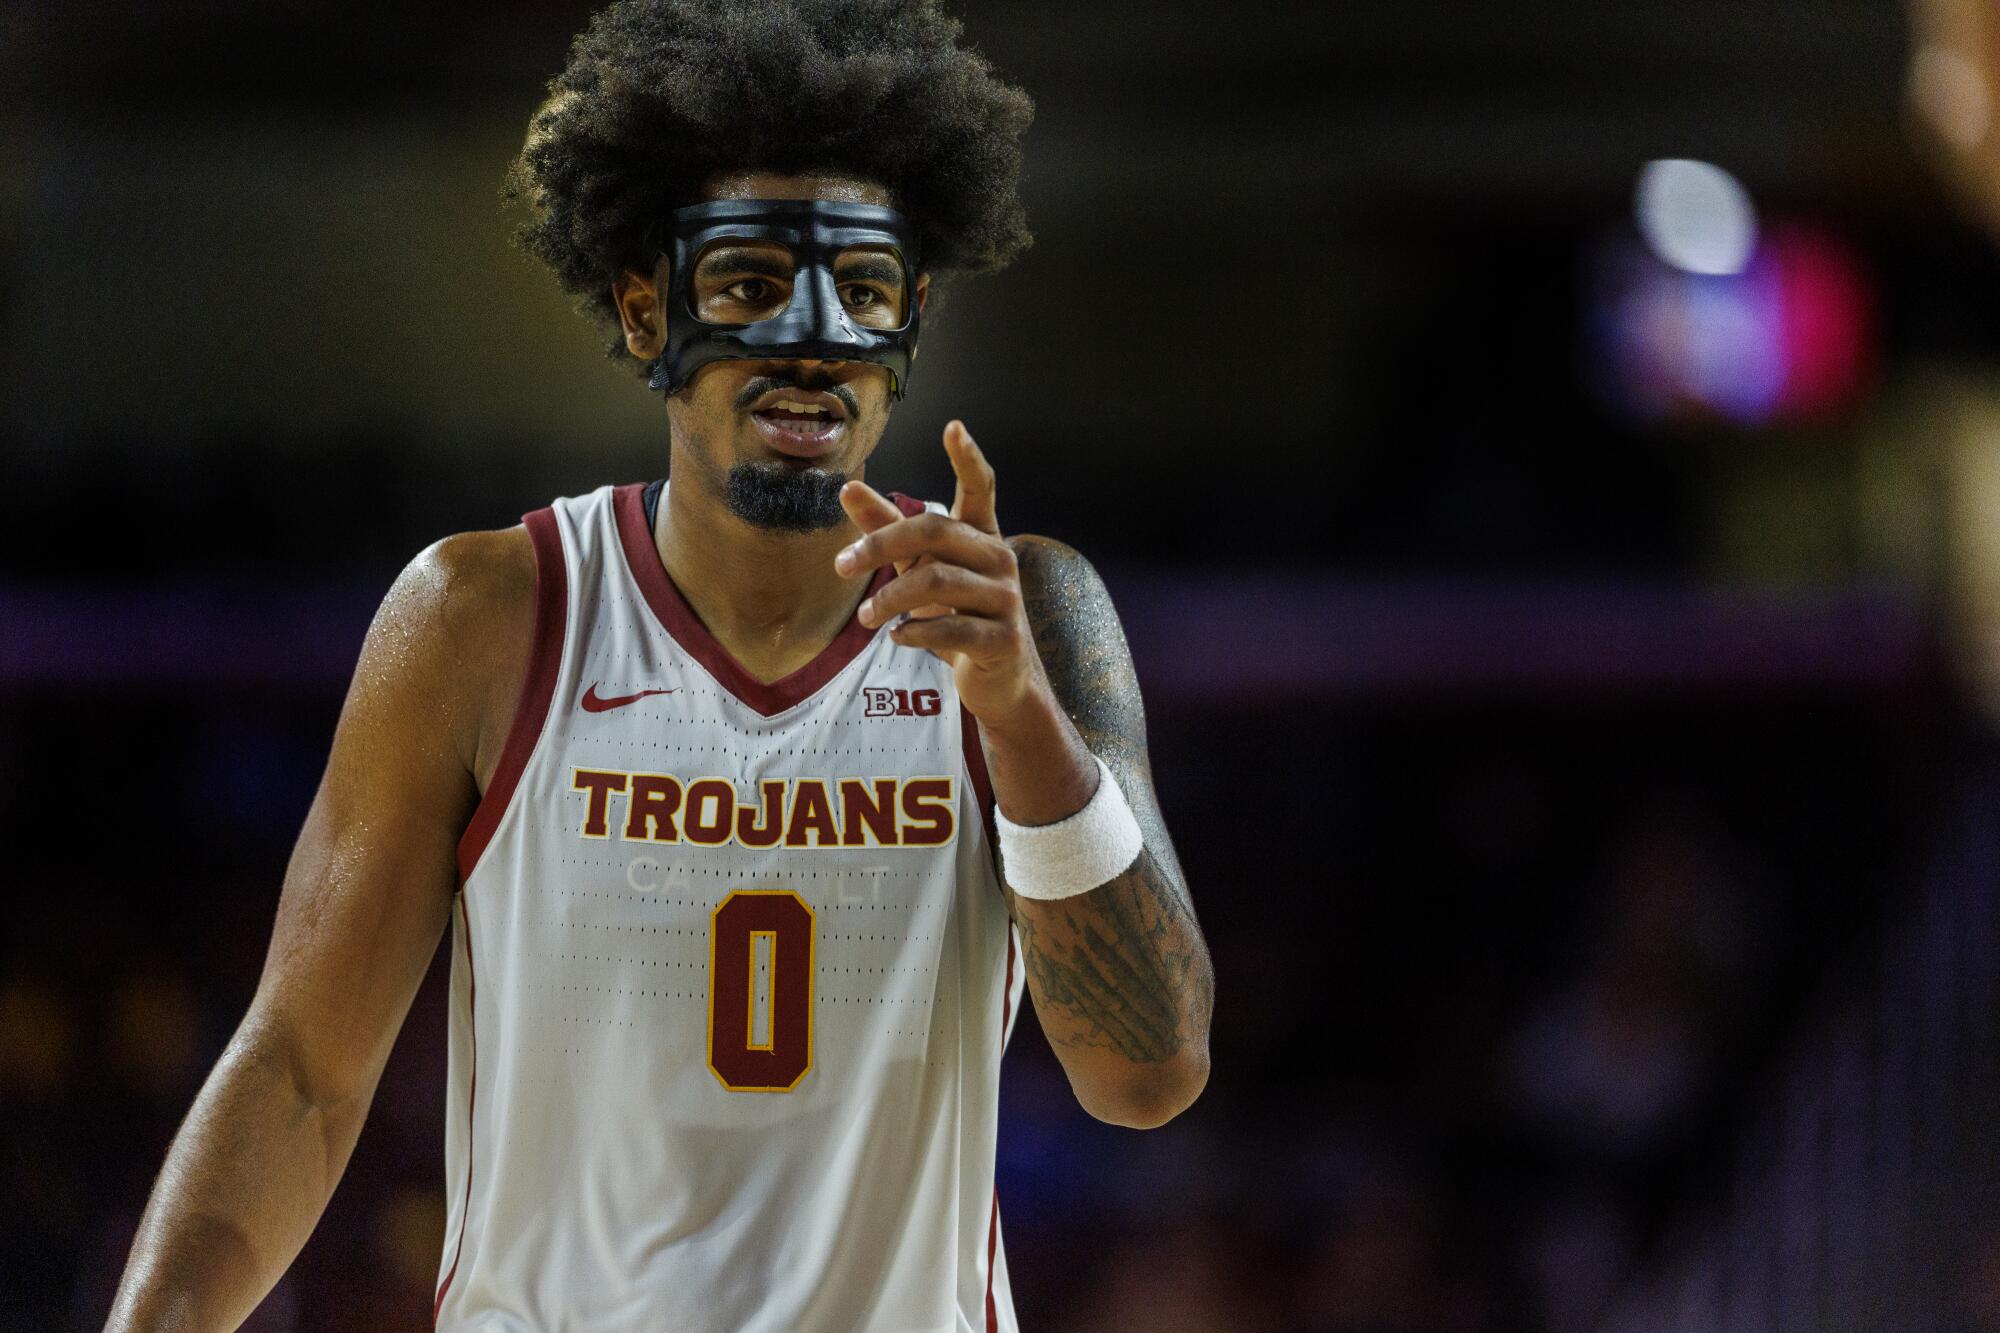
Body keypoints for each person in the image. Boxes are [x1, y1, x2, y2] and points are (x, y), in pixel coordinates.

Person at [105, 1, 1214, 1329]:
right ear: (645, 312)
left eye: (861, 292)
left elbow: (1149, 1071)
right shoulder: (485, 616)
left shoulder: (1029, 614)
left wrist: (1020, 717)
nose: (811, 339)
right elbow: (301, 1069)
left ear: (910, 325)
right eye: (750, 284)